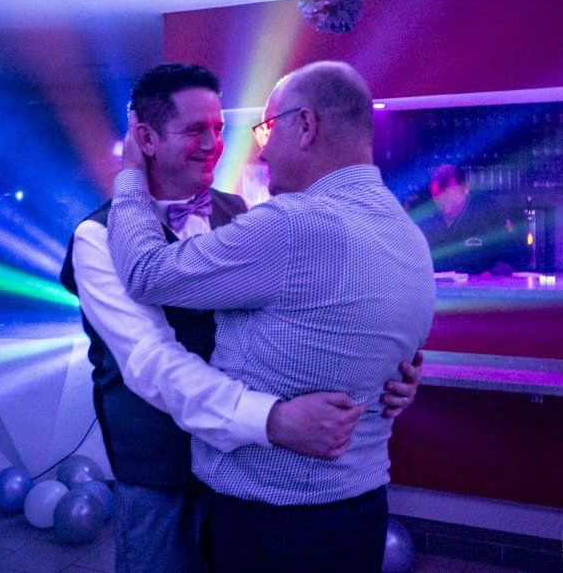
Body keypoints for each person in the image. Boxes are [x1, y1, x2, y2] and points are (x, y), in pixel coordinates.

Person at [59, 63, 423, 573]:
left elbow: (308, 315)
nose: (214, 144)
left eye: (218, 128)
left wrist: (387, 370)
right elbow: (151, 362)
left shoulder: (244, 213)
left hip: (254, 476)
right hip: (163, 472)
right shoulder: (97, 237)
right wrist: (271, 419)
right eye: (194, 130)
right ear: (145, 139)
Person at [414, 164, 525, 275]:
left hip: (481, 285)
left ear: (466, 189)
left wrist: (489, 276)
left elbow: (513, 259)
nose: (446, 207)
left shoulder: (490, 215)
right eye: (438, 199)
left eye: (451, 199)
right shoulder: (424, 220)